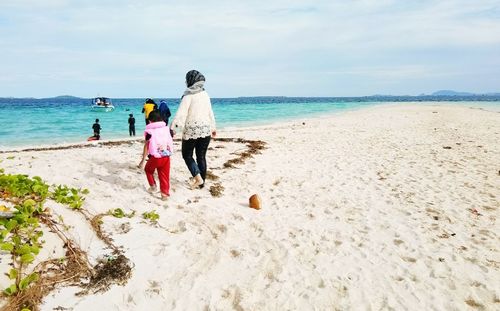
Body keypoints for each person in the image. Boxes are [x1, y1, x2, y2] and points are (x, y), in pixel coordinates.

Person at [171, 70, 216, 189]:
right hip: (206, 130)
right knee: (201, 156)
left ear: (191, 80)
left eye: (187, 80)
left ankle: (198, 179)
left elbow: (181, 114)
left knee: (187, 155)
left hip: (191, 130)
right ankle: (202, 182)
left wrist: (173, 129)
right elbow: (210, 112)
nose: (186, 82)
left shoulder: (188, 95)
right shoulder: (205, 94)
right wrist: (213, 127)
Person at [138, 110, 173, 200]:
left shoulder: (149, 132)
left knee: (148, 170)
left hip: (156, 157)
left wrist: (142, 160)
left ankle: (153, 186)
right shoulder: (166, 129)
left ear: (150, 121)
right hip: (166, 156)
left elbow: (146, 146)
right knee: (164, 175)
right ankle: (165, 194)